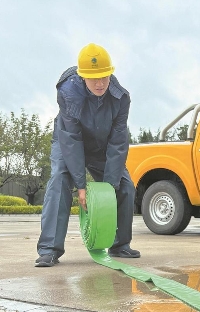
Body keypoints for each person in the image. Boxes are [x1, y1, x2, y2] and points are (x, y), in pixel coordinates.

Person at [36, 43, 140, 267]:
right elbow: (72, 140)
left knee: (124, 186)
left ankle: (120, 244)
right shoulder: (68, 93)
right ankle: (49, 250)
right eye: (94, 78)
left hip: (103, 145)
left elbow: (119, 141)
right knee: (59, 180)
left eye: (104, 76)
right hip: (69, 141)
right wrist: (81, 186)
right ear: (83, 77)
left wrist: (109, 187)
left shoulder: (121, 98)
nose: (100, 83)